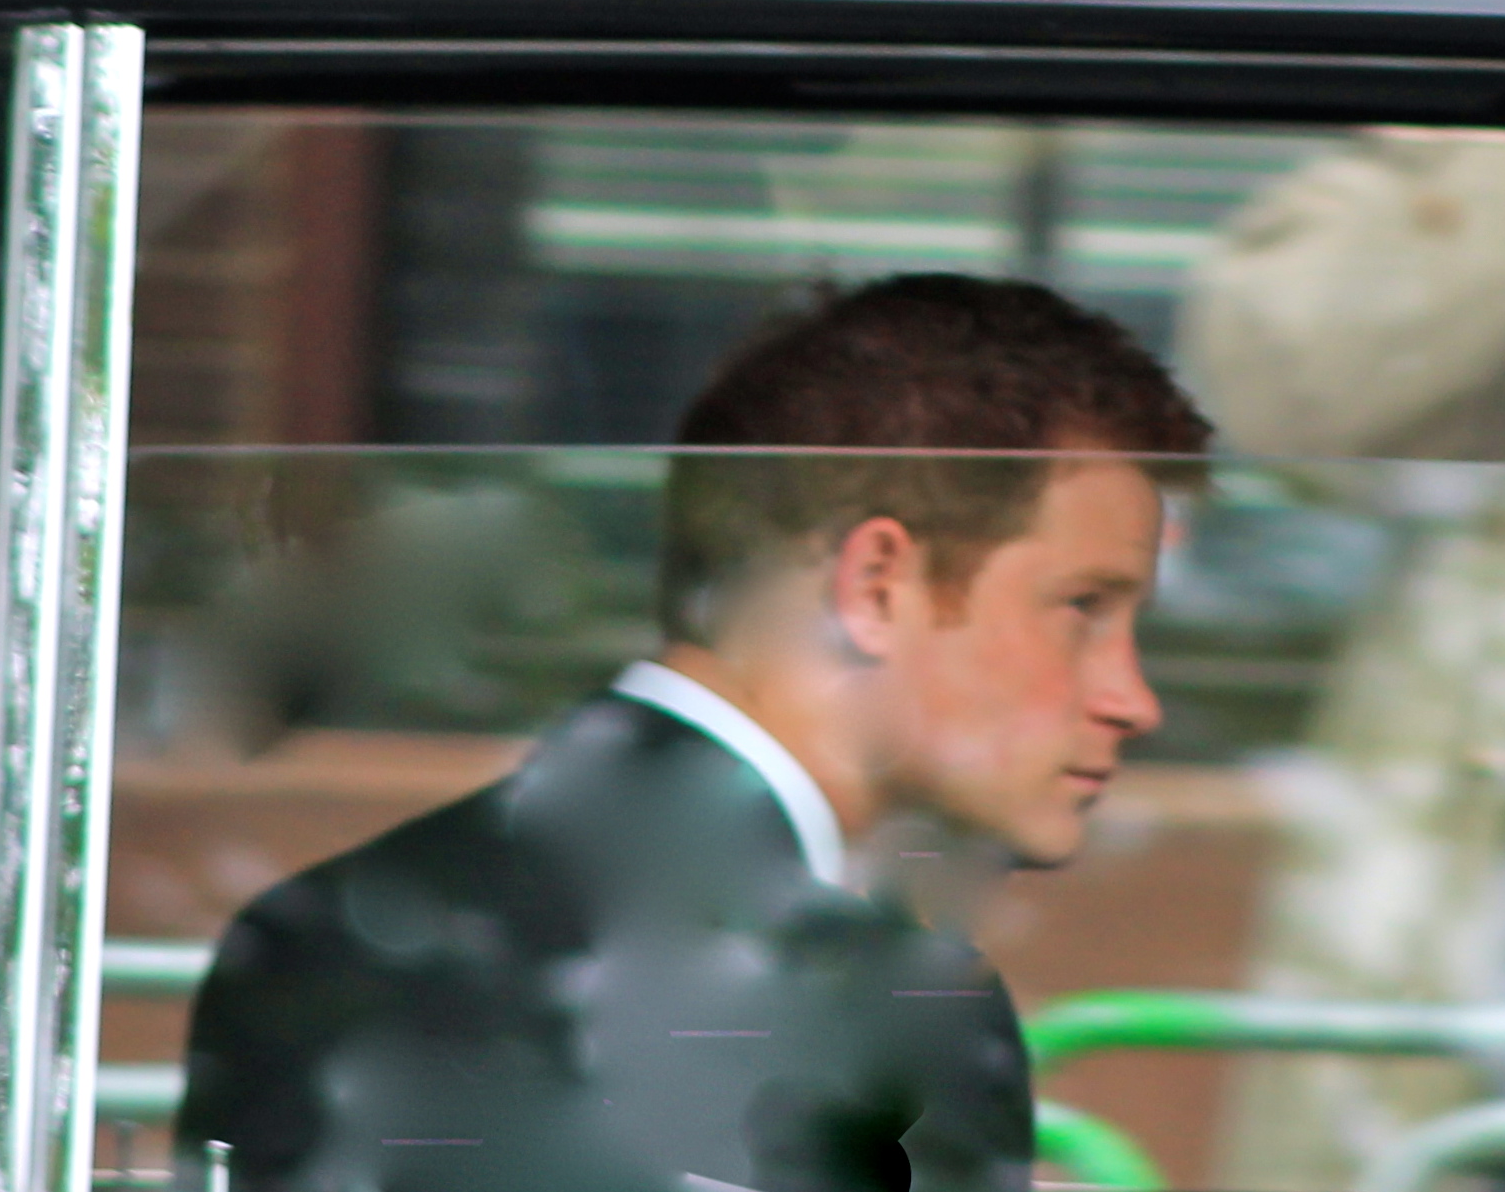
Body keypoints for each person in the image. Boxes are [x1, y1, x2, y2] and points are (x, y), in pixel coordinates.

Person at [174, 274, 1213, 1192]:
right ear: (877, 587)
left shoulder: (309, 929)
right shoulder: (865, 994)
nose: (1131, 696)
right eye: (1083, 606)